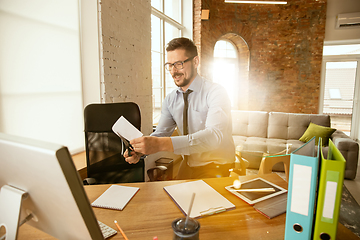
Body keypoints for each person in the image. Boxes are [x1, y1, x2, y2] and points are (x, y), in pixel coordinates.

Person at [124, 37, 235, 179]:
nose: (173, 71)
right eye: (169, 65)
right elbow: (161, 134)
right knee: (171, 197)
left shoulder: (216, 92)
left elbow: (214, 136)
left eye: (178, 64)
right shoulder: (170, 99)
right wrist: (140, 151)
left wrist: (159, 144)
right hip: (189, 163)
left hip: (217, 165)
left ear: (195, 62)